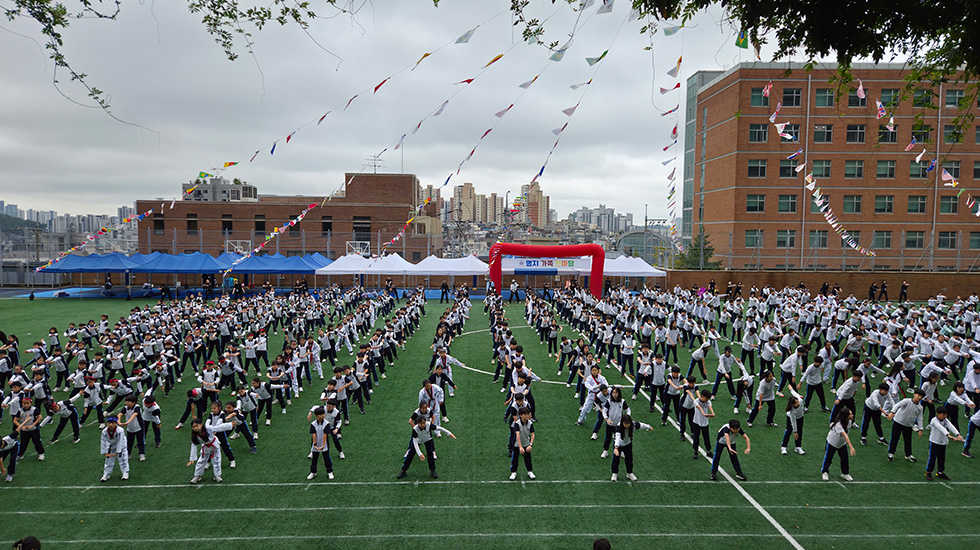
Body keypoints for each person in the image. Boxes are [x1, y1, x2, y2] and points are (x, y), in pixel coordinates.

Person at [396, 413, 455, 479]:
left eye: (424, 423)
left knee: (430, 454)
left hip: (428, 439)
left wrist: (449, 433)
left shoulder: (428, 425)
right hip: (418, 441)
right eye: (421, 423)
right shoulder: (415, 429)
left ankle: (432, 471)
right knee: (410, 455)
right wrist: (420, 454)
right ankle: (403, 470)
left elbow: (438, 428)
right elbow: (415, 442)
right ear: (417, 423)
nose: (423, 425)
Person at [188, 417, 233, 484]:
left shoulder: (208, 428)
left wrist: (230, 425)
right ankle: (197, 476)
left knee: (216, 460)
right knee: (201, 461)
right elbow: (194, 445)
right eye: (193, 427)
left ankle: (217, 475)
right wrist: (192, 458)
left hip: (214, 445)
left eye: (196, 426)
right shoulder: (195, 435)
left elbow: (219, 427)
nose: (195, 428)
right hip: (205, 447)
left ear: (201, 424)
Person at [610, 413, 653, 482]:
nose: (627, 425)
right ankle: (614, 474)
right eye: (625, 423)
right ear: (622, 422)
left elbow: (641, 425)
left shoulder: (633, 425)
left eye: (628, 423)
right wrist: (616, 448)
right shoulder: (618, 427)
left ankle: (629, 473)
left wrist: (648, 427)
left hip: (628, 444)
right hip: (619, 445)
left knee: (629, 459)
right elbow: (617, 437)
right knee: (616, 460)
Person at [887, 388, 926, 462]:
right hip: (898, 422)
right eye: (918, 395)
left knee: (908, 440)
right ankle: (891, 453)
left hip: (908, 425)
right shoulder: (907, 401)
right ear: (914, 394)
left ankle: (908, 455)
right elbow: (897, 405)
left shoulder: (920, 408)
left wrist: (921, 429)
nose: (920, 397)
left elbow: (920, 418)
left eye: (922, 396)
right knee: (895, 438)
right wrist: (892, 412)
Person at [925, 406, 963, 480]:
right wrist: (948, 435)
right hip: (934, 442)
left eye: (946, 415)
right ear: (938, 414)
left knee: (942, 458)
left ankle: (940, 472)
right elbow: (940, 427)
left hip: (943, 443)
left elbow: (951, 426)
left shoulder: (946, 420)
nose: (945, 416)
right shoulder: (934, 420)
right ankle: (928, 472)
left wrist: (958, 434)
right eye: (943, 414)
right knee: (932, 458)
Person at [821, 407, 856, 481]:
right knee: (828, 458)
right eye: (850, 414)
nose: (852, 415)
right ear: (846, 416)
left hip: (841, 443)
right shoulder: (838, 424)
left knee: (844, 458)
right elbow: (845, 435)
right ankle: (825, 472)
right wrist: (851, 446)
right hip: (832, 443)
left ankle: (845, 473)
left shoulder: (849, 422)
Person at [308, 406, 335, 480]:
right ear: (316, 416)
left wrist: (323, 445)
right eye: (321, 414)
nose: (323, 415)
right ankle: (313, 472)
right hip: (316, 444)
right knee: (314, 459)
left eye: (323, 414)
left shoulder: (326, 424)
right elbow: (313, 435)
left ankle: (330, 472)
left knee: (326, 458)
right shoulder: (313, 424)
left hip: (324, 444)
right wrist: (315, 444)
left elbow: (325, 435)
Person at [100, 416, 129, 482]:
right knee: (108, 461)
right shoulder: (104, 431)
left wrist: (117, 452)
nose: (110, 425)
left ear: (115, 423)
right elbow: (103, 442)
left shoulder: (120, 430)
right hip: (111, 445)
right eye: (109, 423)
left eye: (112, 423)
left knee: (123, 458)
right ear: (107, 423)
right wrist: (105, 452)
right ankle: (106, 474)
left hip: (121, 445)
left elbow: (120, 441)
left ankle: (125, 472)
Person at [509, 406, 535, 480]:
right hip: (517, 444)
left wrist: (530, 445)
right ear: (520, 415)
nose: (526, 416)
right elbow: (517, 435)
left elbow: (532, 434)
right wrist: (520, 447)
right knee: (515, 459)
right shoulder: (517, 424)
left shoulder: (530, 423)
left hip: (526, 443)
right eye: (524, 414)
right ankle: (513, 472)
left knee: (528, 459)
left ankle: (530, 471)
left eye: (527, 414)